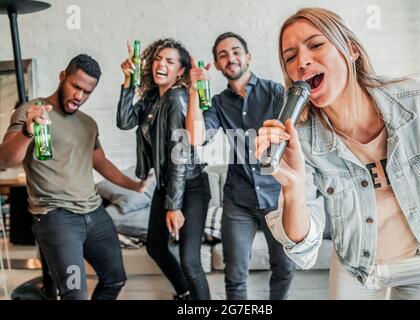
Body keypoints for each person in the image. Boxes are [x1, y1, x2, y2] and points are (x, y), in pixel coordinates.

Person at [255, 7, 420, 300]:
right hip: (358, 264)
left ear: (352, 50)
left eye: (316, 44)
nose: (302, 61)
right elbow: (303, 246)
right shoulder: (302, 140)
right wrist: (293, 188)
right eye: (290, 56)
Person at [0, 54, 150, 300]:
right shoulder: (32, 111)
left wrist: (136, 185)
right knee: (75, 295)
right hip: (56, 218)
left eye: (87, 92)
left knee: (115, 279)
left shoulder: (88, 124)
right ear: (63, 77)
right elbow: (5, 159)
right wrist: (28, 130)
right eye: (76, 87)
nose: (79, 96)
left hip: (95, 213)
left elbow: (101, 163)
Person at [186, 32, 295, 300]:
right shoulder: (219, 104)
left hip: (277, 197)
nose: (230, 58)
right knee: (234, 275)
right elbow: (195, 137)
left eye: (235, 52)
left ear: (248, 57)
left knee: (284, 267)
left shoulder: (275, 92)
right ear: (217, 64)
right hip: (239, 201)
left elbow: (296, 133)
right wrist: (193, 91)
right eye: (223, 55)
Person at [116, 38, 211, 300]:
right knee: (156, 248)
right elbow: (124, 121)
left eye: (169, 61)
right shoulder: (151, 98)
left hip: (190, 187)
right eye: (158, 58)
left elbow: (180, 156)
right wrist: (128, 81)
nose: (161, 64)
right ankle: (185, 295)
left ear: (181, 71)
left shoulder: (177, 98)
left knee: (190, 262)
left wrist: (174, 205)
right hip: (166, 185)